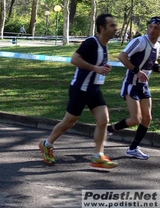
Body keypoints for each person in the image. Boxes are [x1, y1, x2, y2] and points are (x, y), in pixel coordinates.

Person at [39, 13, 118, 169]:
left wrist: (104, 67)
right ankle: (46, 144)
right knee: (69, 122)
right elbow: (74, 59)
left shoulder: (104, 45)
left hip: (94, 89)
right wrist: (96, 68)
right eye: (112, 25)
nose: (116, 28)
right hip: (80, 89)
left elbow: (96, 64)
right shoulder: (91, 42)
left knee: (103, 120)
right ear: (102, 28)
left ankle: (98, 156)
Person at [107, 16, 160, 160]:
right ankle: (110, 129)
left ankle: (133, 148)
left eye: (156, 28)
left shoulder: (157, 45)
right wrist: (137, 71)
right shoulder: (140, 41)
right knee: (136, 119)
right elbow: (122, 56)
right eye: (150, 27)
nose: (152, 30)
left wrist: (157, 67)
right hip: (131, 84)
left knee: (147, 118)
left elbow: (152, 61)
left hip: (144, 86)